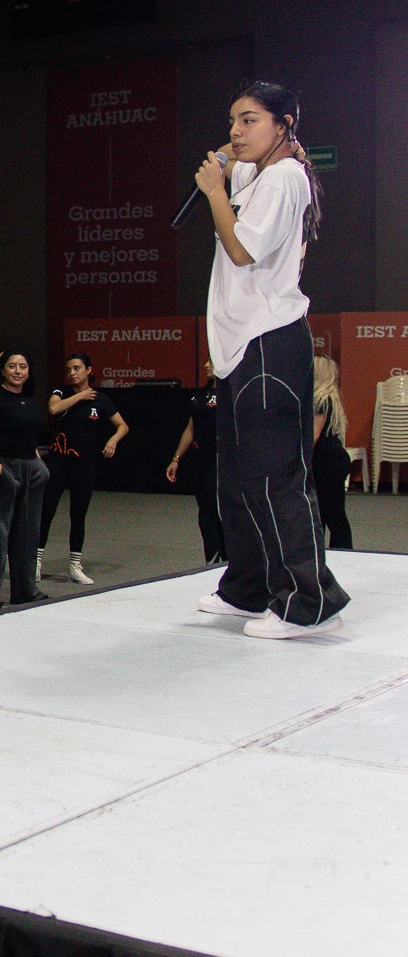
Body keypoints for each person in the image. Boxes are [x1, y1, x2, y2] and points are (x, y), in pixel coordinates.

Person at [193, 82, 350, 638]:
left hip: (271, 342)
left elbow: (242, 249)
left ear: (284, 124)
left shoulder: (285, 177)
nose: (236, 131)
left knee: (276, 476)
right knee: (236, 477)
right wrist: (226, 161)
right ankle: (248, 586)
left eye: (250, 120)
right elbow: (226, 156)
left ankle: (309, 601)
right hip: (238, 347)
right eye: (233, 119)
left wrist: (214, 190)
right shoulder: (255, 174)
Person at [38, 353, 127, 585]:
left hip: (85, 461)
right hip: (59, 458)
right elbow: (53, 409)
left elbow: (123, 426)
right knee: (47, 509)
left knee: (78, 513)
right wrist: (79, 397)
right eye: (68, 369)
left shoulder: (100, 399)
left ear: (88, 370)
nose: (72, 373)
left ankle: (75, 565)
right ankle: (35, 562)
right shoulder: (61, 391)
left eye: (77, 368)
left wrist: (113, 439)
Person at [0, 350, 49, 610]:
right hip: (3, 469)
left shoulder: (29, 398)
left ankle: (25, 590)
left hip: (32, 470)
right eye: (12, 366)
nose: (18, 371)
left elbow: (30, 435)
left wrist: (39, 465)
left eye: (23, 366)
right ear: (2, 370)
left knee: (28, 533)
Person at [166, 359, 225, 565]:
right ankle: (212, 562)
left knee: (214, 512)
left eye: (211, 361)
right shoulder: (201, 395)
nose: (207, 365)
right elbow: (190, 429)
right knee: (205, 513)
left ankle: (225, 561)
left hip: (222, 462)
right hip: (201, 461)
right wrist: (176, 459)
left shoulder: (232, 394)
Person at [311, 354, 354, 550]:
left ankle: (342, 554)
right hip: (332, 459)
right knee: (329, 514)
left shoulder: (321, 399)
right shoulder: (331, 397)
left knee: (332, 516)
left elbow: (314, 434)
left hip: (327, 462)